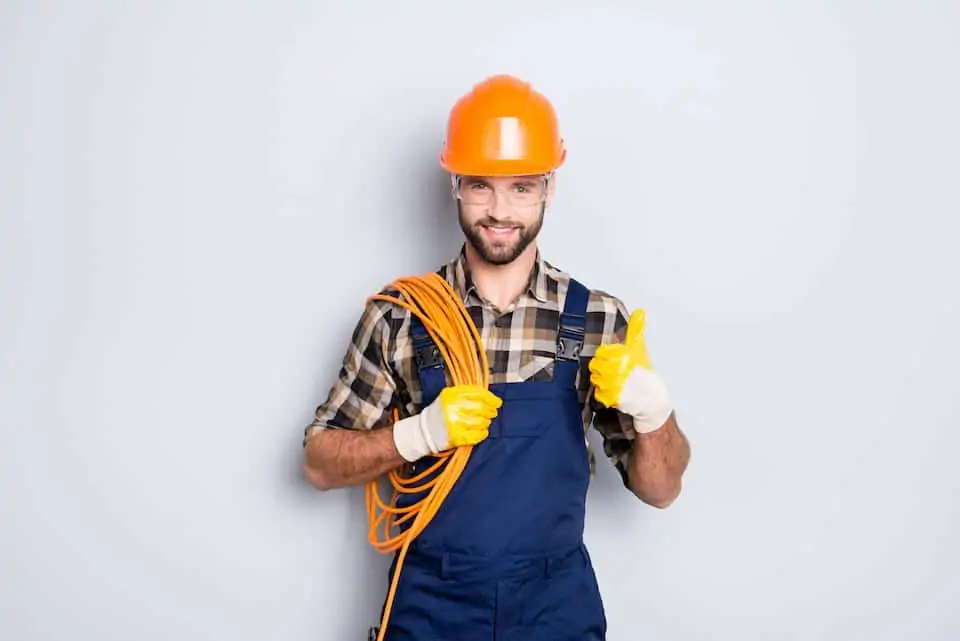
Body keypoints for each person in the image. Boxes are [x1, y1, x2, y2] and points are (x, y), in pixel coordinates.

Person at [301, 74, 691, 641]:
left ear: (549, 189)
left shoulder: (600, 320)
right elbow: (318, 463)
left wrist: (653, 413)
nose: (500, 210)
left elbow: (661, 490)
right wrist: (416, 436)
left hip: (553, 604)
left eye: (522, 188)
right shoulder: (403, 316)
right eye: (481, 186)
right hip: (432, 602)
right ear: (455, 185)